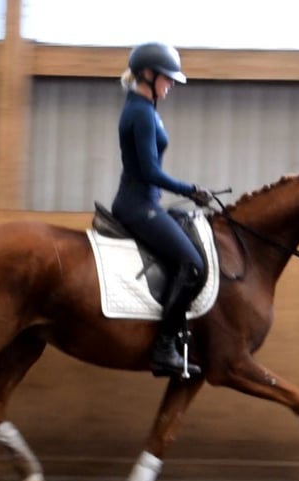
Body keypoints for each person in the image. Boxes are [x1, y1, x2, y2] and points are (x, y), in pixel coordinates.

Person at [111, 42, 213, 377]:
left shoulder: (144, 109)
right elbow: (150, 172)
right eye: (167, 79)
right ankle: (163, 348)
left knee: (186, 226)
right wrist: (191, 189)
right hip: (137, 205)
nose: (170, 85)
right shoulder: (140, 112)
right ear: (147, 75)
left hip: (148, 202)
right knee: (193, 264)